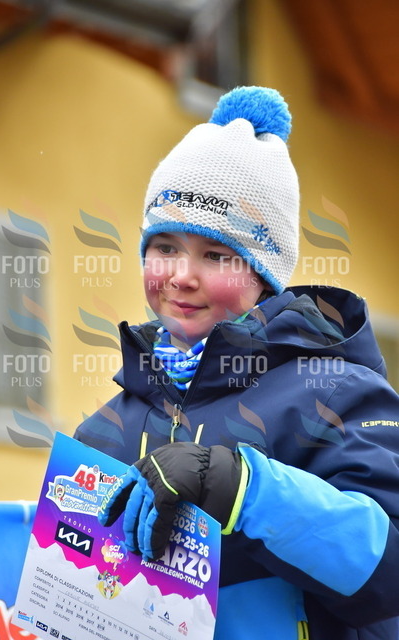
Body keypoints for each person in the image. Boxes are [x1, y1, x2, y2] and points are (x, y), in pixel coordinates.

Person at [74, 86, 399, 640]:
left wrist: (242, 489)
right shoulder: (104, 429)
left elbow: (389, 571)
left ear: (263, 277)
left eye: (216, 255)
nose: (182, 276)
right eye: (165, 247)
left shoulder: (335, 391)